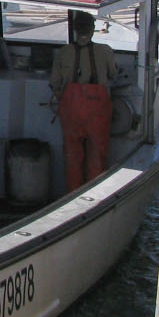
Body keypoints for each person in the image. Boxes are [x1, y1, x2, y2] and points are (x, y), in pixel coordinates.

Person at [49, 11, 119, 192]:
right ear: (93, 30)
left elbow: (54, 83)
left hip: (71, 111)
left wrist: (62, 99)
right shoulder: (105, 51)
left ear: (75, 30)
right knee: (97, 154)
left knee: (73, 157)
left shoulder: (63, 53)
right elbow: (113, 74)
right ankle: (94, 196)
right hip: (97, 110)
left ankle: (73, 196)